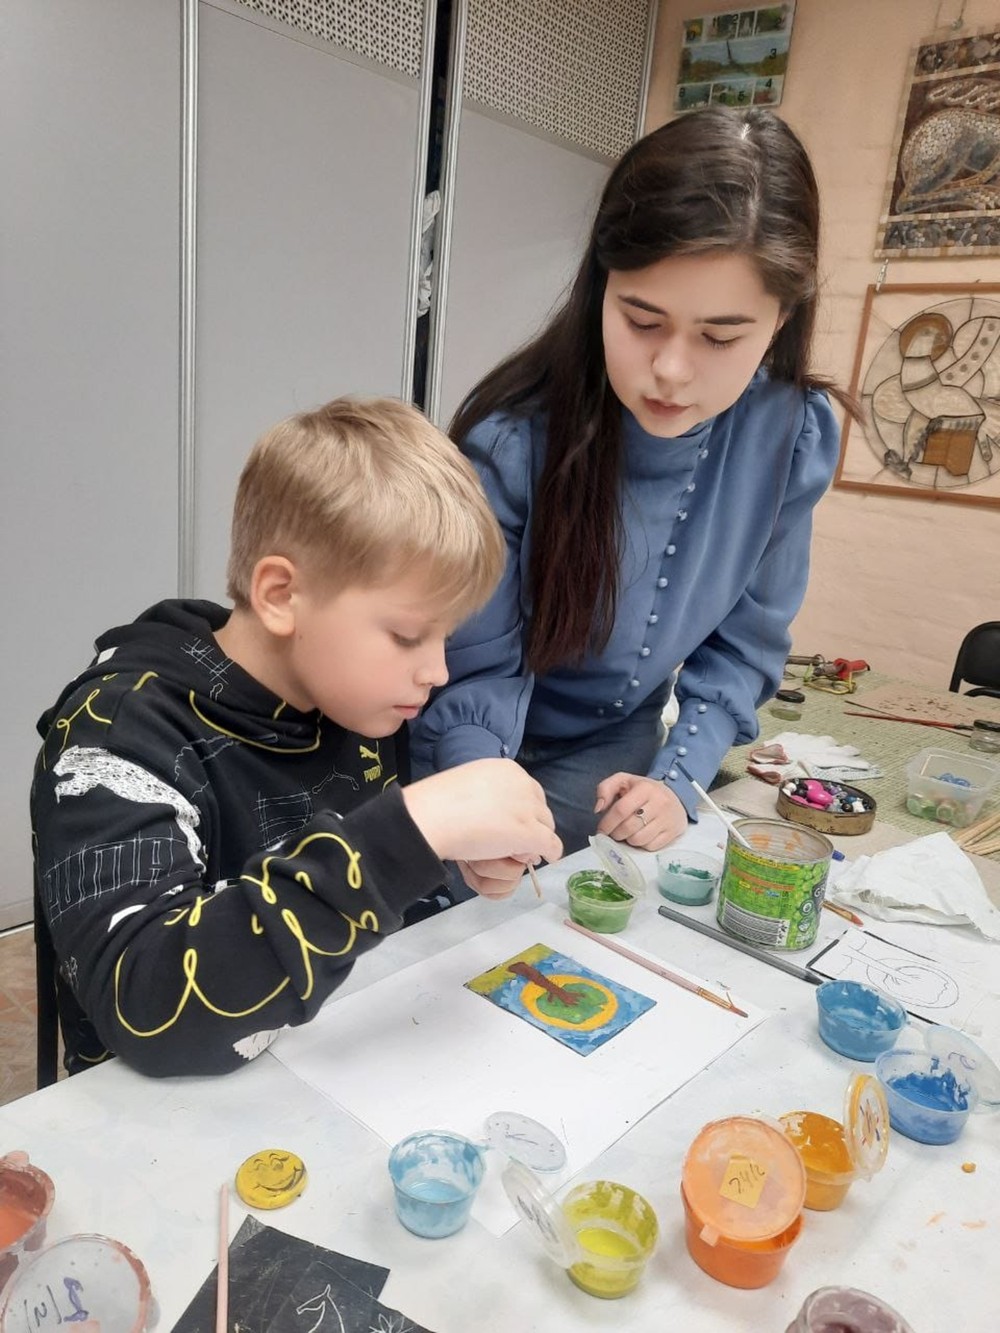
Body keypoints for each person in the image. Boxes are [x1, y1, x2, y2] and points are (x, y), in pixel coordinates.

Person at [30, 397, 561, 1078]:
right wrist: (408, 835)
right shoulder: (115, 737)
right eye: (407, 635)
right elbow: (148, 1009)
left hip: (327, 1073)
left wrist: (449, 856)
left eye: (445, 637)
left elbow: (361, 903)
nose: (438, 672)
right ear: (281, 595)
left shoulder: (350, 699)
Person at [410, 105, 856, 867]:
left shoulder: (792, 437)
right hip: (467, 740)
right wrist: (476, 786)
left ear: (781, 319)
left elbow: (744, 645)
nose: (672, 370)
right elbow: (473, 665)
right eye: (642, 321)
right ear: (601, 286)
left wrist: (678, 779)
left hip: (614, 758)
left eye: (720, 336)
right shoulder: (514, 440)